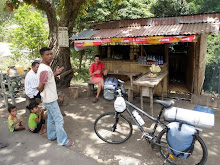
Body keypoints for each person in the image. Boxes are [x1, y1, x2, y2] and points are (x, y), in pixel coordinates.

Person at [37, 47, 74, 146]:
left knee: (51, 118)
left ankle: (51, 136)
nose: (50, 56)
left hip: (47, 98)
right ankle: (63, 141)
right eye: (47, 54)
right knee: (59, 119)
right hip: (49, 99)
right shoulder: (44, 69)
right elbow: (41, 86)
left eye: (51, 54)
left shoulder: (44, 67)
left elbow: (47, 78)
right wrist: (40, 89)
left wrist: (56, 73)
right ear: (42, 56)